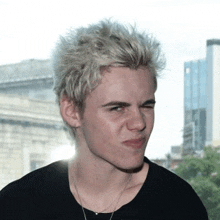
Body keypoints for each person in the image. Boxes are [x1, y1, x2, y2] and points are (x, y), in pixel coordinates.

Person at [0, 19, 208, 220]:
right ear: (72, 111)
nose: (139, 123)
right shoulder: (17, 204)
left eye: (146, 105)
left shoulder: (179, 205)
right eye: (117, 108)